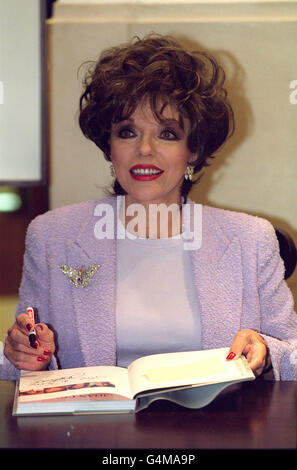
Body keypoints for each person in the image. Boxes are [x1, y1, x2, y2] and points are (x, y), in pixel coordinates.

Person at [1, 34, 297, 381]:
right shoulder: (52, 236)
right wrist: (26, 353)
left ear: (194, 151)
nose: (144, 149)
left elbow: (291, 352)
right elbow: (19, 361)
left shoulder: (251, 239)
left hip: (216, 430)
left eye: (167, 133)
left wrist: (266, 351)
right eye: (127, 132)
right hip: (96, 431)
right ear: (109, 147)